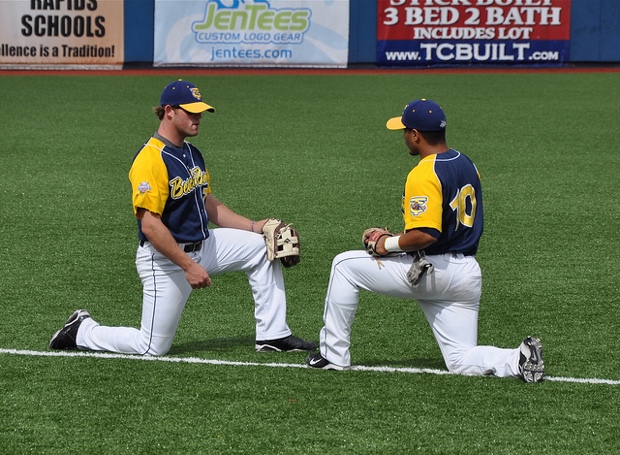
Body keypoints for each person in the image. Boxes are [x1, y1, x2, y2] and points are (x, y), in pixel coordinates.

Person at [49, 80, 316, 356]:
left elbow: (208, 203)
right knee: (151, 347)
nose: (198, 117)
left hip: (206, 245)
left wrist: (253, 226)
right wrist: (188, 266)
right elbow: (150, 226)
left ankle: (273, 335)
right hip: (166, 259)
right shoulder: (150, 159)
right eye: (191, 111)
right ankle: (81, 330)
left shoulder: (191, 152)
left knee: (262, 247)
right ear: (169, 111)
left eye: (200, 111)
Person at [305, 99, 544, 382]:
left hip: (434, 271)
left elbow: (427, 234)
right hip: (466, 275)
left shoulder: (424, 172)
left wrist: (388, 244)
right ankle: (517, 359)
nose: (403, 136)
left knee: (343, 265)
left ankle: (333, 355)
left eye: (405, 130)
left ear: (416, 135)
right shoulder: (467, 163)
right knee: (459, 358)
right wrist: (396, 239)